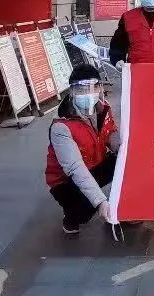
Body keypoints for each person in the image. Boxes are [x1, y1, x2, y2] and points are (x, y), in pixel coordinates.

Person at [46, 64, 118, 234]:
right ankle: (71, 217)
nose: (87, 94)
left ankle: (122, 205)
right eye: (80, 89)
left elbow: (110, 132)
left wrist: (121, 147)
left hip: (95, 164)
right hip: (66, 181)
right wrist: (100, 202)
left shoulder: (103, 109)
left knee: (125, 161)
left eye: (92, 88)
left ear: (100, 88)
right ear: (72, 92)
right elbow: (75, 168)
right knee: (84, 211)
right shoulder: (61, 127)